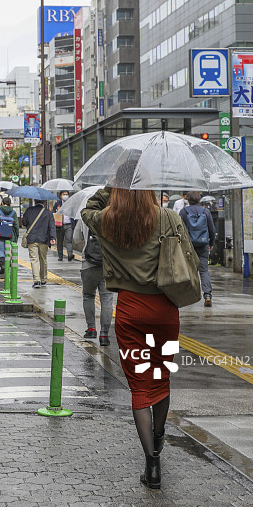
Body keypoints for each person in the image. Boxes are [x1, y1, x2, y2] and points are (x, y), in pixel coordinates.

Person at [82, 186, 191, 490]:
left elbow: (87, 210)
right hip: (165, 308)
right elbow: (187, 251)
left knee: (140, 386)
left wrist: (112, 188)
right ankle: (159, 436)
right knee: (161, 376)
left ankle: (152, 463)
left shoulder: (108, 220)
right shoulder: (167, 216)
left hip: (130, 311)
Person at [73, 217, 115, 346]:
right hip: (108, 265)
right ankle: (104, 334)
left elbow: (76, 238)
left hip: (88, 264)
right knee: (107, 299)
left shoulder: (84, 217)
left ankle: (91, 329)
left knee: (88, 296)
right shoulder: (112, 216)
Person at [179, 191, 216, 307]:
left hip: (188, 246)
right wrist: (211, 242)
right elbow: (212, 229)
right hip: (203, 244)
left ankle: (190, 295)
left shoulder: (184, 212)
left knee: (190, 270)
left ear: (188, 199)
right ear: (199, 199)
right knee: (204, 270)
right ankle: (207, 295)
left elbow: (180, 229)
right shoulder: (205, 211)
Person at [22, 200, 56, 288]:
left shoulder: (29, 210)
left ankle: (37, 281)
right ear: (44, 202)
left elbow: (24, 223)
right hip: (44, 239)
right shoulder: (48, 213)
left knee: (34, 260)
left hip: (32, 239)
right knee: (43, 260)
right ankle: (43, 279)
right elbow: (51, 226)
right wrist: (53, 238)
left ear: (34, 201)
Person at [0, 197, 19, 275]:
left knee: (1, 250)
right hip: (10, 234)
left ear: (2, 203)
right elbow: (16, 225)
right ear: (10, 204)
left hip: (0, 234)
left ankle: (2, 265)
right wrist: (16, 237)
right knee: (8, 251)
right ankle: (7, 265)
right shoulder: (13, 212)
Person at [53, 192, 75, 261]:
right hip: (60, 225)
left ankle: (70, 255)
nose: (65, 196)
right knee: (60, 241)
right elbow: (53, 213)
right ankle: (60, 256)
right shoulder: (57, 204)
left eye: (66, 194)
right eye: (64, 194)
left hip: (69, 225)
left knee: (69, 240)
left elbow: (74, 214)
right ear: (60, 196)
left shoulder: (71, 204)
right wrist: (58, 210)